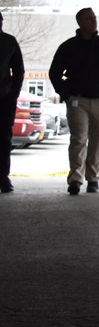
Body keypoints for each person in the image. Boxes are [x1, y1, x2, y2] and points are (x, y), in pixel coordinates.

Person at [48, 7, 99, 195]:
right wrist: (67, 95)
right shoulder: (68, 47)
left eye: (95, 18)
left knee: (97, 140)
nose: (94, 21)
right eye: (89, 19)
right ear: (80, 23)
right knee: (78, 140)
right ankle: (75, 179)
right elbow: (54, 73)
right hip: (77, 101)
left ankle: (93, 179)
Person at [0, 11, 24, 194]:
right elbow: (19, 71)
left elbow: (18, 70)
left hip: (5, 96)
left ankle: (2, 176)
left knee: (4, 138)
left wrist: (13, 94)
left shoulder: (9, 42)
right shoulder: (9, 41)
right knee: (4, 138)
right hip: (6, 95)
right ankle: (3, 177)